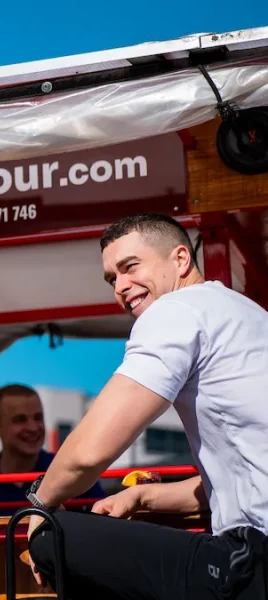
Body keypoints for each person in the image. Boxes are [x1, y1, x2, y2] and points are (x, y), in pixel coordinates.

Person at [26, 213, 268, 600]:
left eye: (130, 267)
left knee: (51, 537)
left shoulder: (178, 310)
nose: (121, 286)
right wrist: (144, 496)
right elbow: (245, 477)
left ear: (180, 260)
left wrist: (38, 504)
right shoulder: (249, 315)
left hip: (254, 560)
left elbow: (87, 455)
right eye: (112, 278)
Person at [0, 384, 104, 516]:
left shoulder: (73, 473)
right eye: (20, 420)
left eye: (38, 417)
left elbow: (104, 523)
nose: (33, 427)